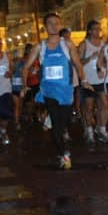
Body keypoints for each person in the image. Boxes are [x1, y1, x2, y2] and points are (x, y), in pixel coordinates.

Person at [20, 12, 91, 169]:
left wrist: (84, 80)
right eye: (50, 23)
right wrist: (25, 85)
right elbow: (25, 67)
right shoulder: (40, 47)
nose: (54, 26)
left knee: (64, 123)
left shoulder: (67, 45)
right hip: (48, 90)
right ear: (45, 27)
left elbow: (78, 64)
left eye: (56, 23)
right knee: (58, 125)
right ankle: (65, 153)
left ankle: (60, 145)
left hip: (65, 91)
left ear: (60, 25)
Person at [78, 21, 106, 144]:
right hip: (88, 81)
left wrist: (103, 67)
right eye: (95, 29)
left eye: (99, 29)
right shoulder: (84, 44)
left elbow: (106, 61)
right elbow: (77, 62)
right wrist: (90, 58)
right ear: (89, 31)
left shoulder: (103, 44)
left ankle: (101, 129)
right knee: (88, 107)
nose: (97, 31)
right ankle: (89, 132)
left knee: (103, 106)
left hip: (101, 80)